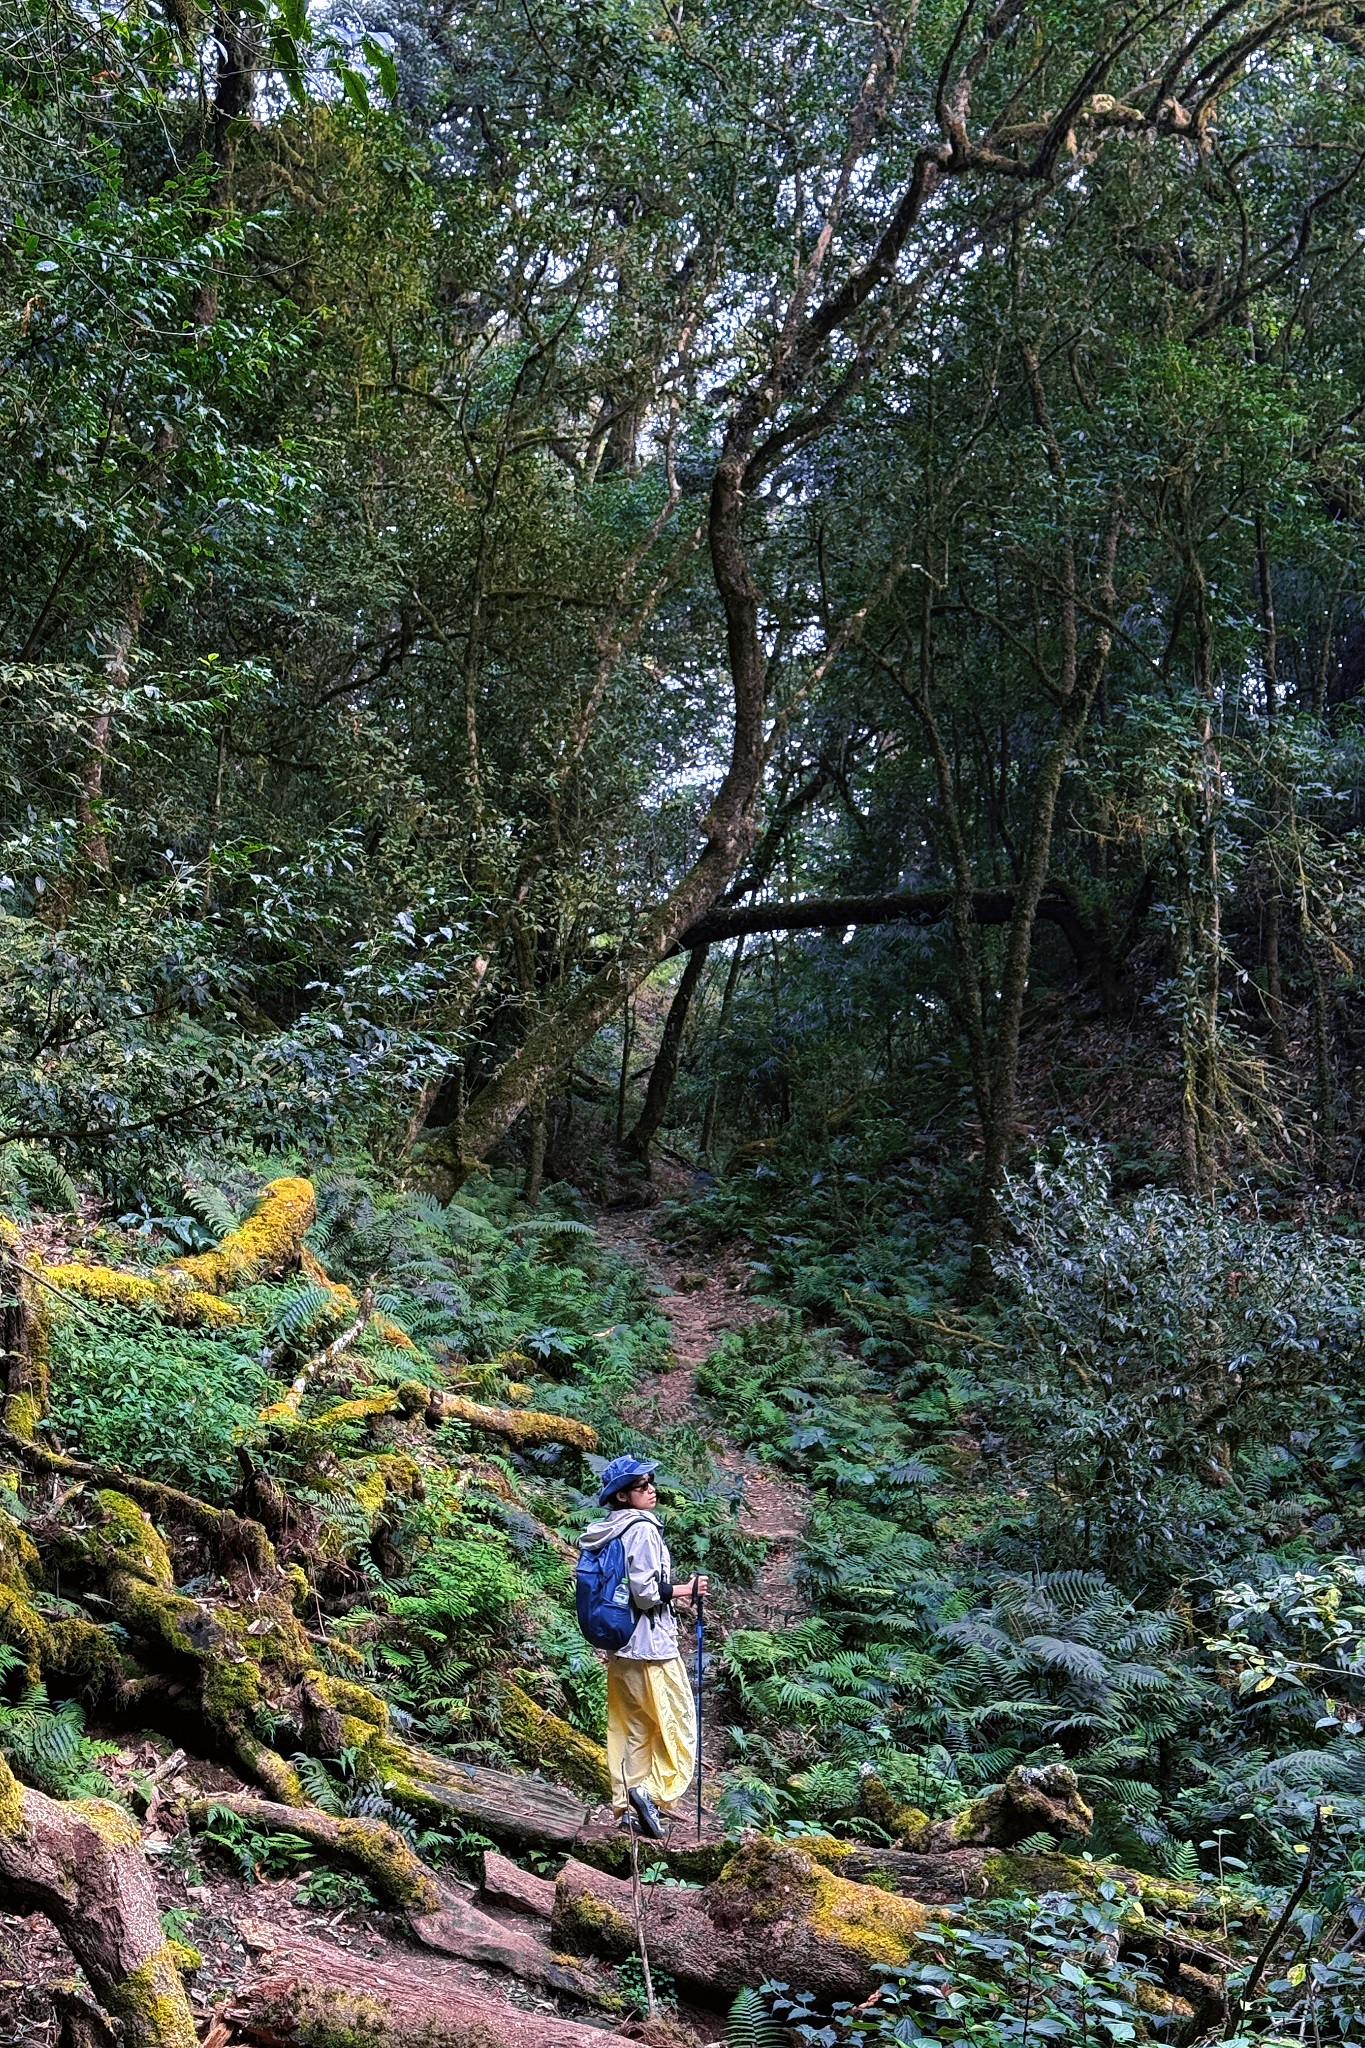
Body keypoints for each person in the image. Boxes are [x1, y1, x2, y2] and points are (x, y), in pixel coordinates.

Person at [577, 1453, 709, 1839]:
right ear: (622, 1495)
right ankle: (651, 1791)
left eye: (651, 1483)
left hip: (619, 1645)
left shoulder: (606, 1529)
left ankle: (627, 1805)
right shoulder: (643, 1530)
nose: (651, 1490)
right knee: (677, 1722)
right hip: (650, 1646)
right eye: (641, 1486)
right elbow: (647, 1594)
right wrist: (688, 1589)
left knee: (632, 1725)